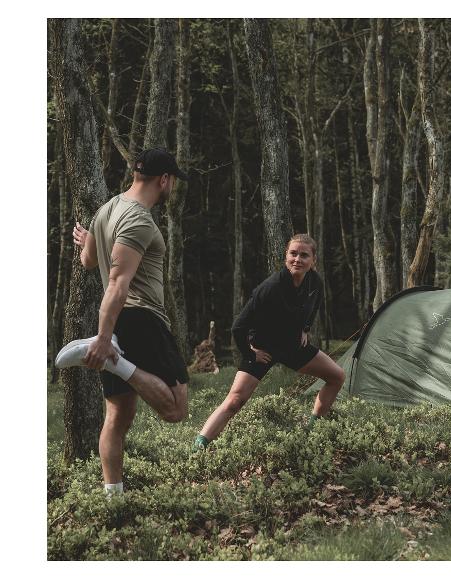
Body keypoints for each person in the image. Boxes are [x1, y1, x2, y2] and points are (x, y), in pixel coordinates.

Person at [55, 148, 191, 496]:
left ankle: (113, 501)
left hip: (118, 321)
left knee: (118, 417)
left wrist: (89, 240)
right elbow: (117, 281)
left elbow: (88, 261)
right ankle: (116, 361)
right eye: (172, 181)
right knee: (176, 409)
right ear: (164, 180)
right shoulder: (138, 221)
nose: (172, 187)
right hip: (140, 317)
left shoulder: (107, 210)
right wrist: (104, 339)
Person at [192, 234, 345, 451]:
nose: (297, 259)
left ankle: (312, 429)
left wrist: (305, 328)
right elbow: (238, 327)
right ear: (286, 256)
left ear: (313, 260)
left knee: (337, 376)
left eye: (304, 255)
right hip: (263, 349)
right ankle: (199, 446)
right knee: (235, 400)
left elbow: (314, 306)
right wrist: (250, 353)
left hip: (293, 347)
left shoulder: (315, 283)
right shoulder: (271, 287)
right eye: (293, 254)